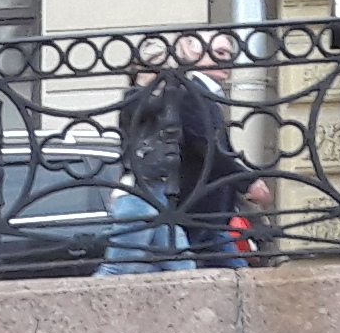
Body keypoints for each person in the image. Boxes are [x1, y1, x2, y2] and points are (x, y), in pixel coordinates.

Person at [95, 37, 258, 277]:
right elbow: (145, 115)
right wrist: (181, 67)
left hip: (160, 193)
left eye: (164, 64)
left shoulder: (165, 98)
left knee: (182, 266)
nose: (162, 72)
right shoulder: (136, 99)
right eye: (154, 65)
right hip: (141, 194)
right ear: (139, 69)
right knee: (118, 268)